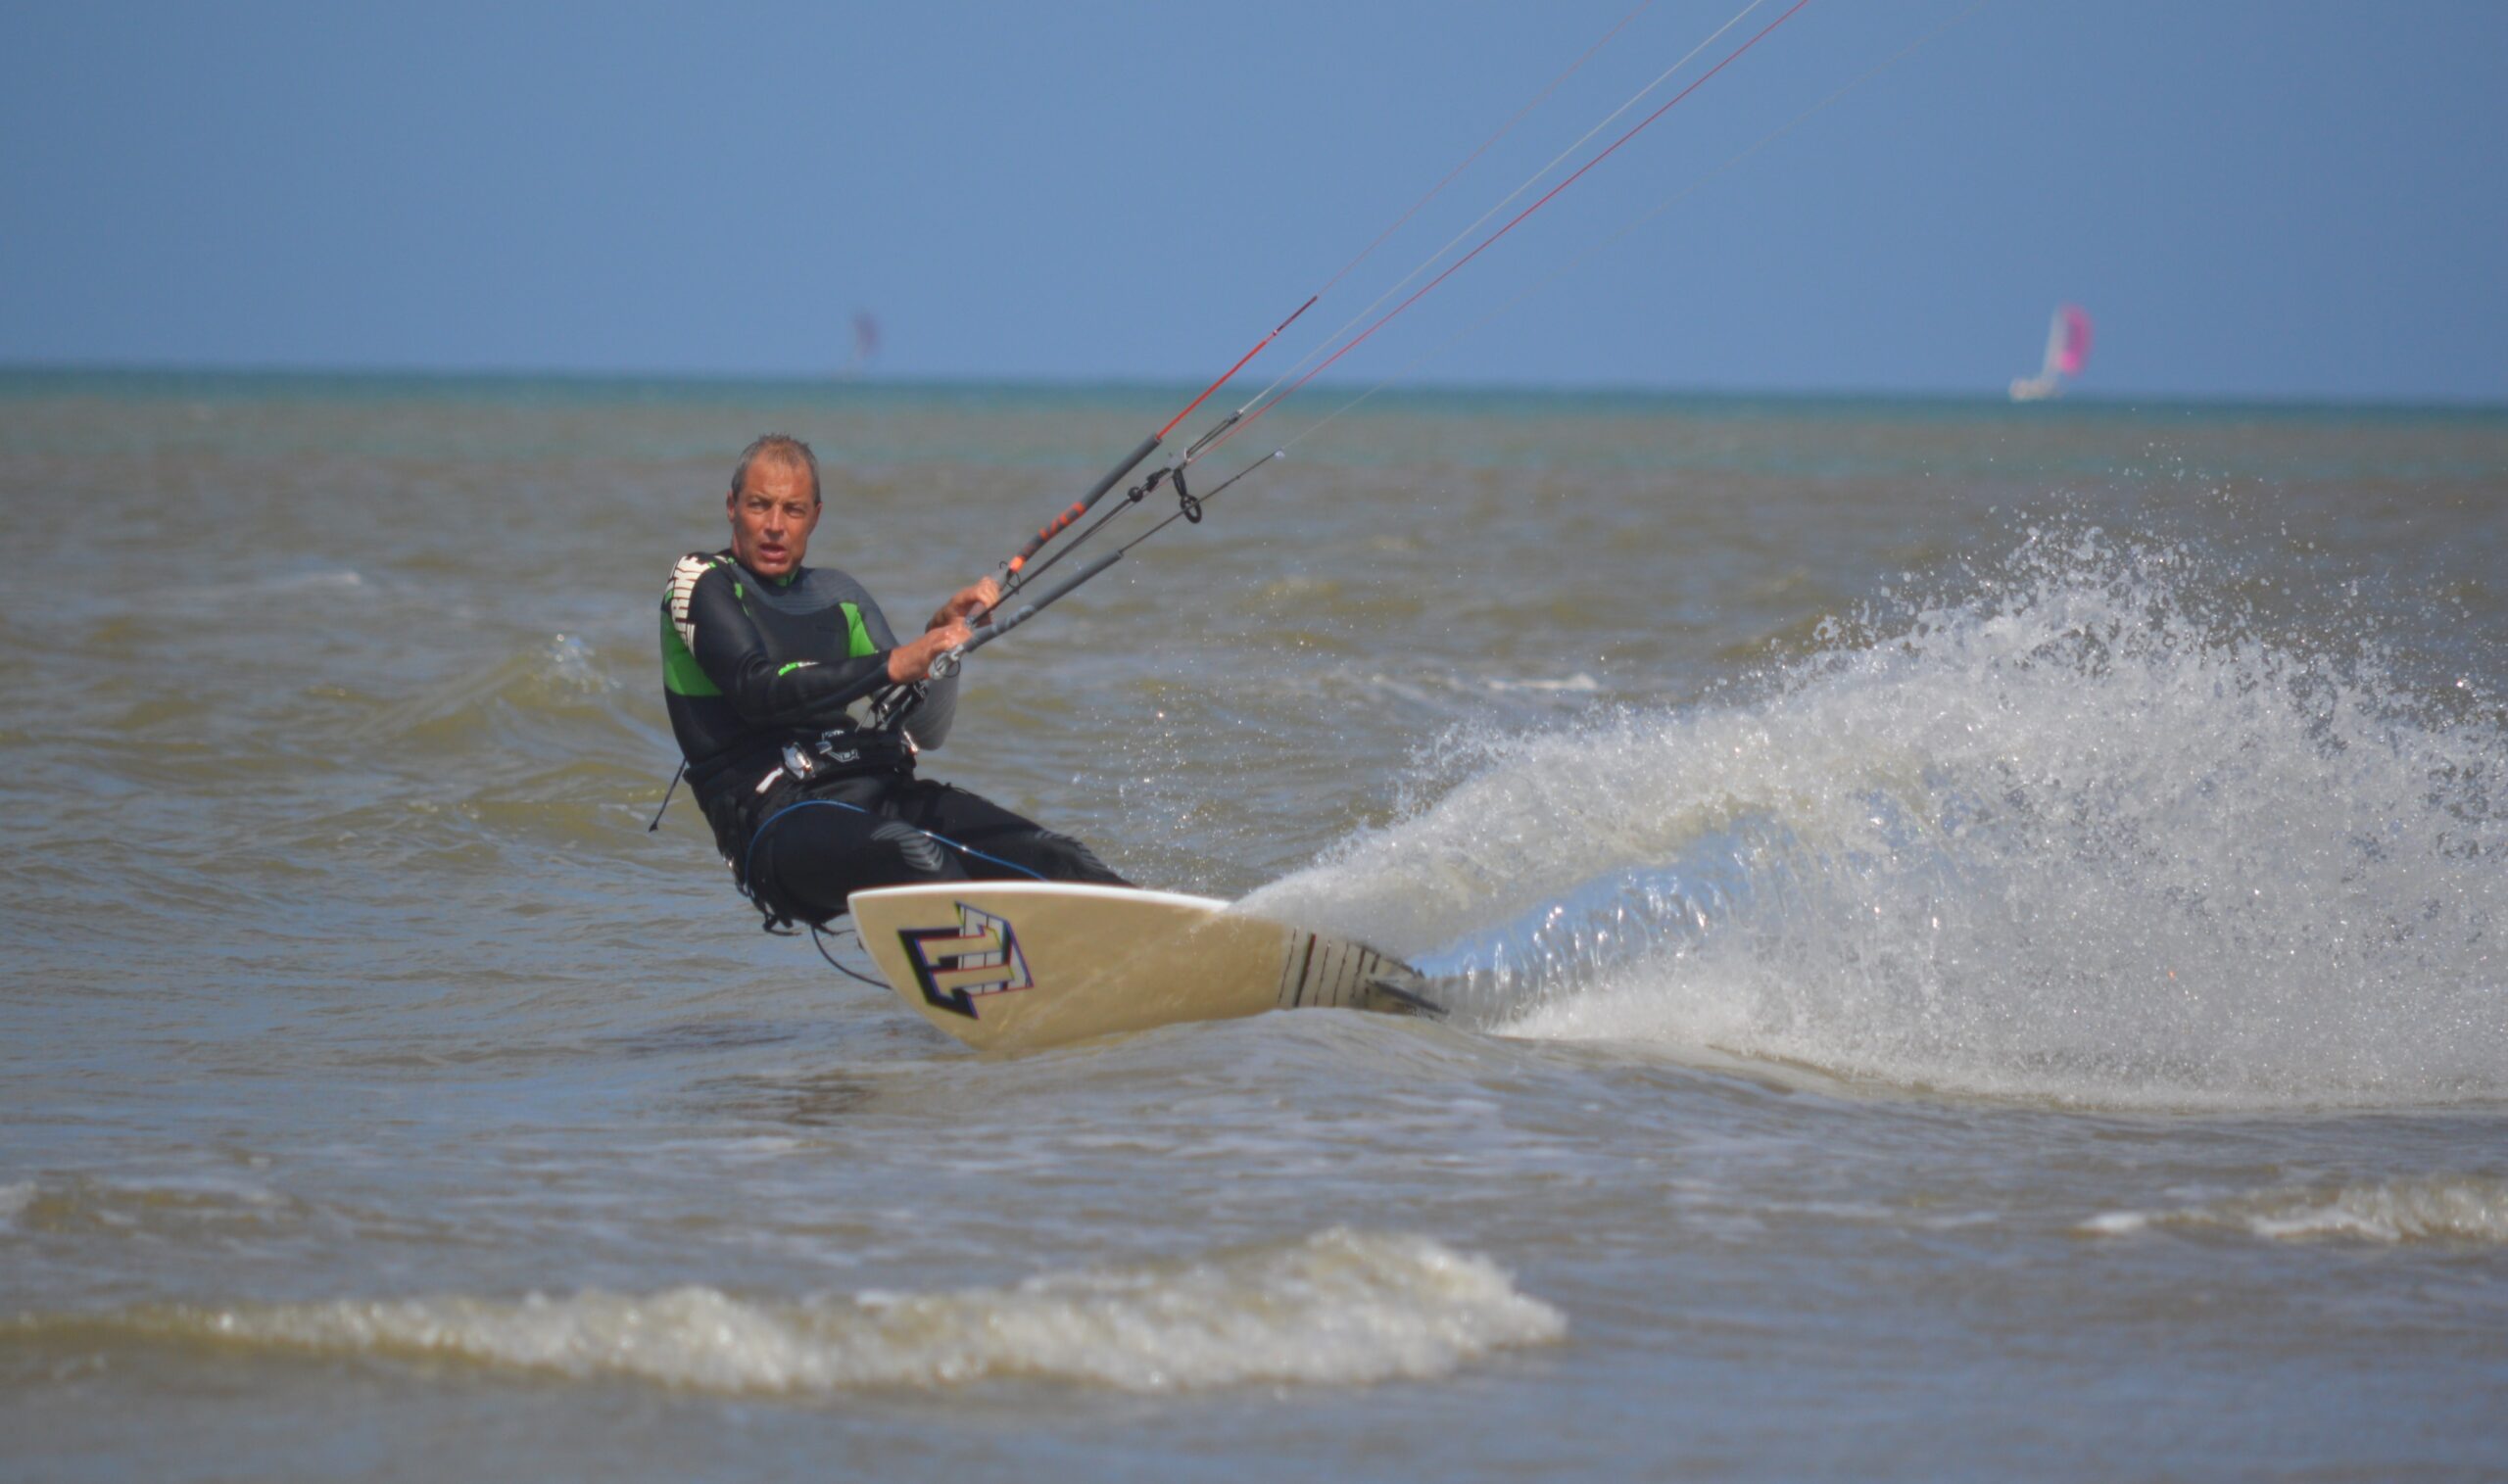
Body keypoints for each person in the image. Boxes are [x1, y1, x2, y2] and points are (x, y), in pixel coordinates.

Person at [660, 433, 1127, 929]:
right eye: (759, 506)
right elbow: (756, 689)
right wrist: (894, 663)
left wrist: (947, 644)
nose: (775, 526)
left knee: (1058, 857)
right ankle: (995, 985)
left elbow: (925, 730)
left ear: (815, 516)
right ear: (732, 507)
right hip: (777, 822)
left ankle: (1169, 947)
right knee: (918, 858)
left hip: (872, 793)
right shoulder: (700, 580)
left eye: (793, 511)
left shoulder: (839, 594)